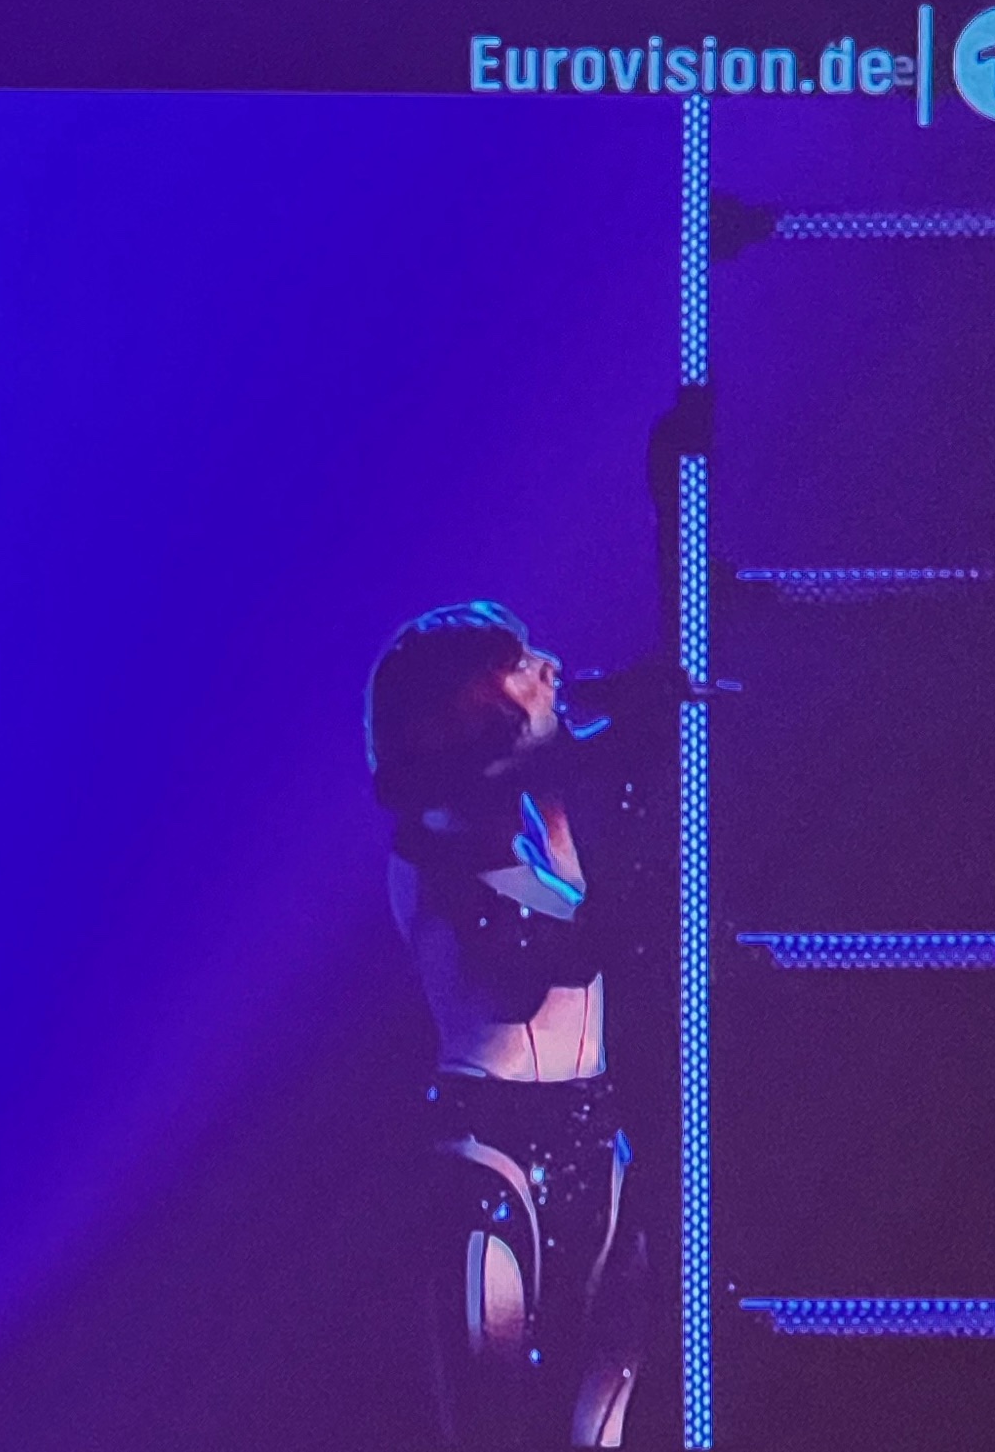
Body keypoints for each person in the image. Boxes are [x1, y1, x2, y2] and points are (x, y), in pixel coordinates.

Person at [365, 601, 678, 1449]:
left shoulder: (542, 800)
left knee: (607, 1392)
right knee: (495, 1417)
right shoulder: (436, 840)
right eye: (518, 661)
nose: (548, 665)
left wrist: (635, 712)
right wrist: (621, 753)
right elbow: (539, 960)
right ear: (468, 701)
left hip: (595, 1127)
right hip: (492, 1140)